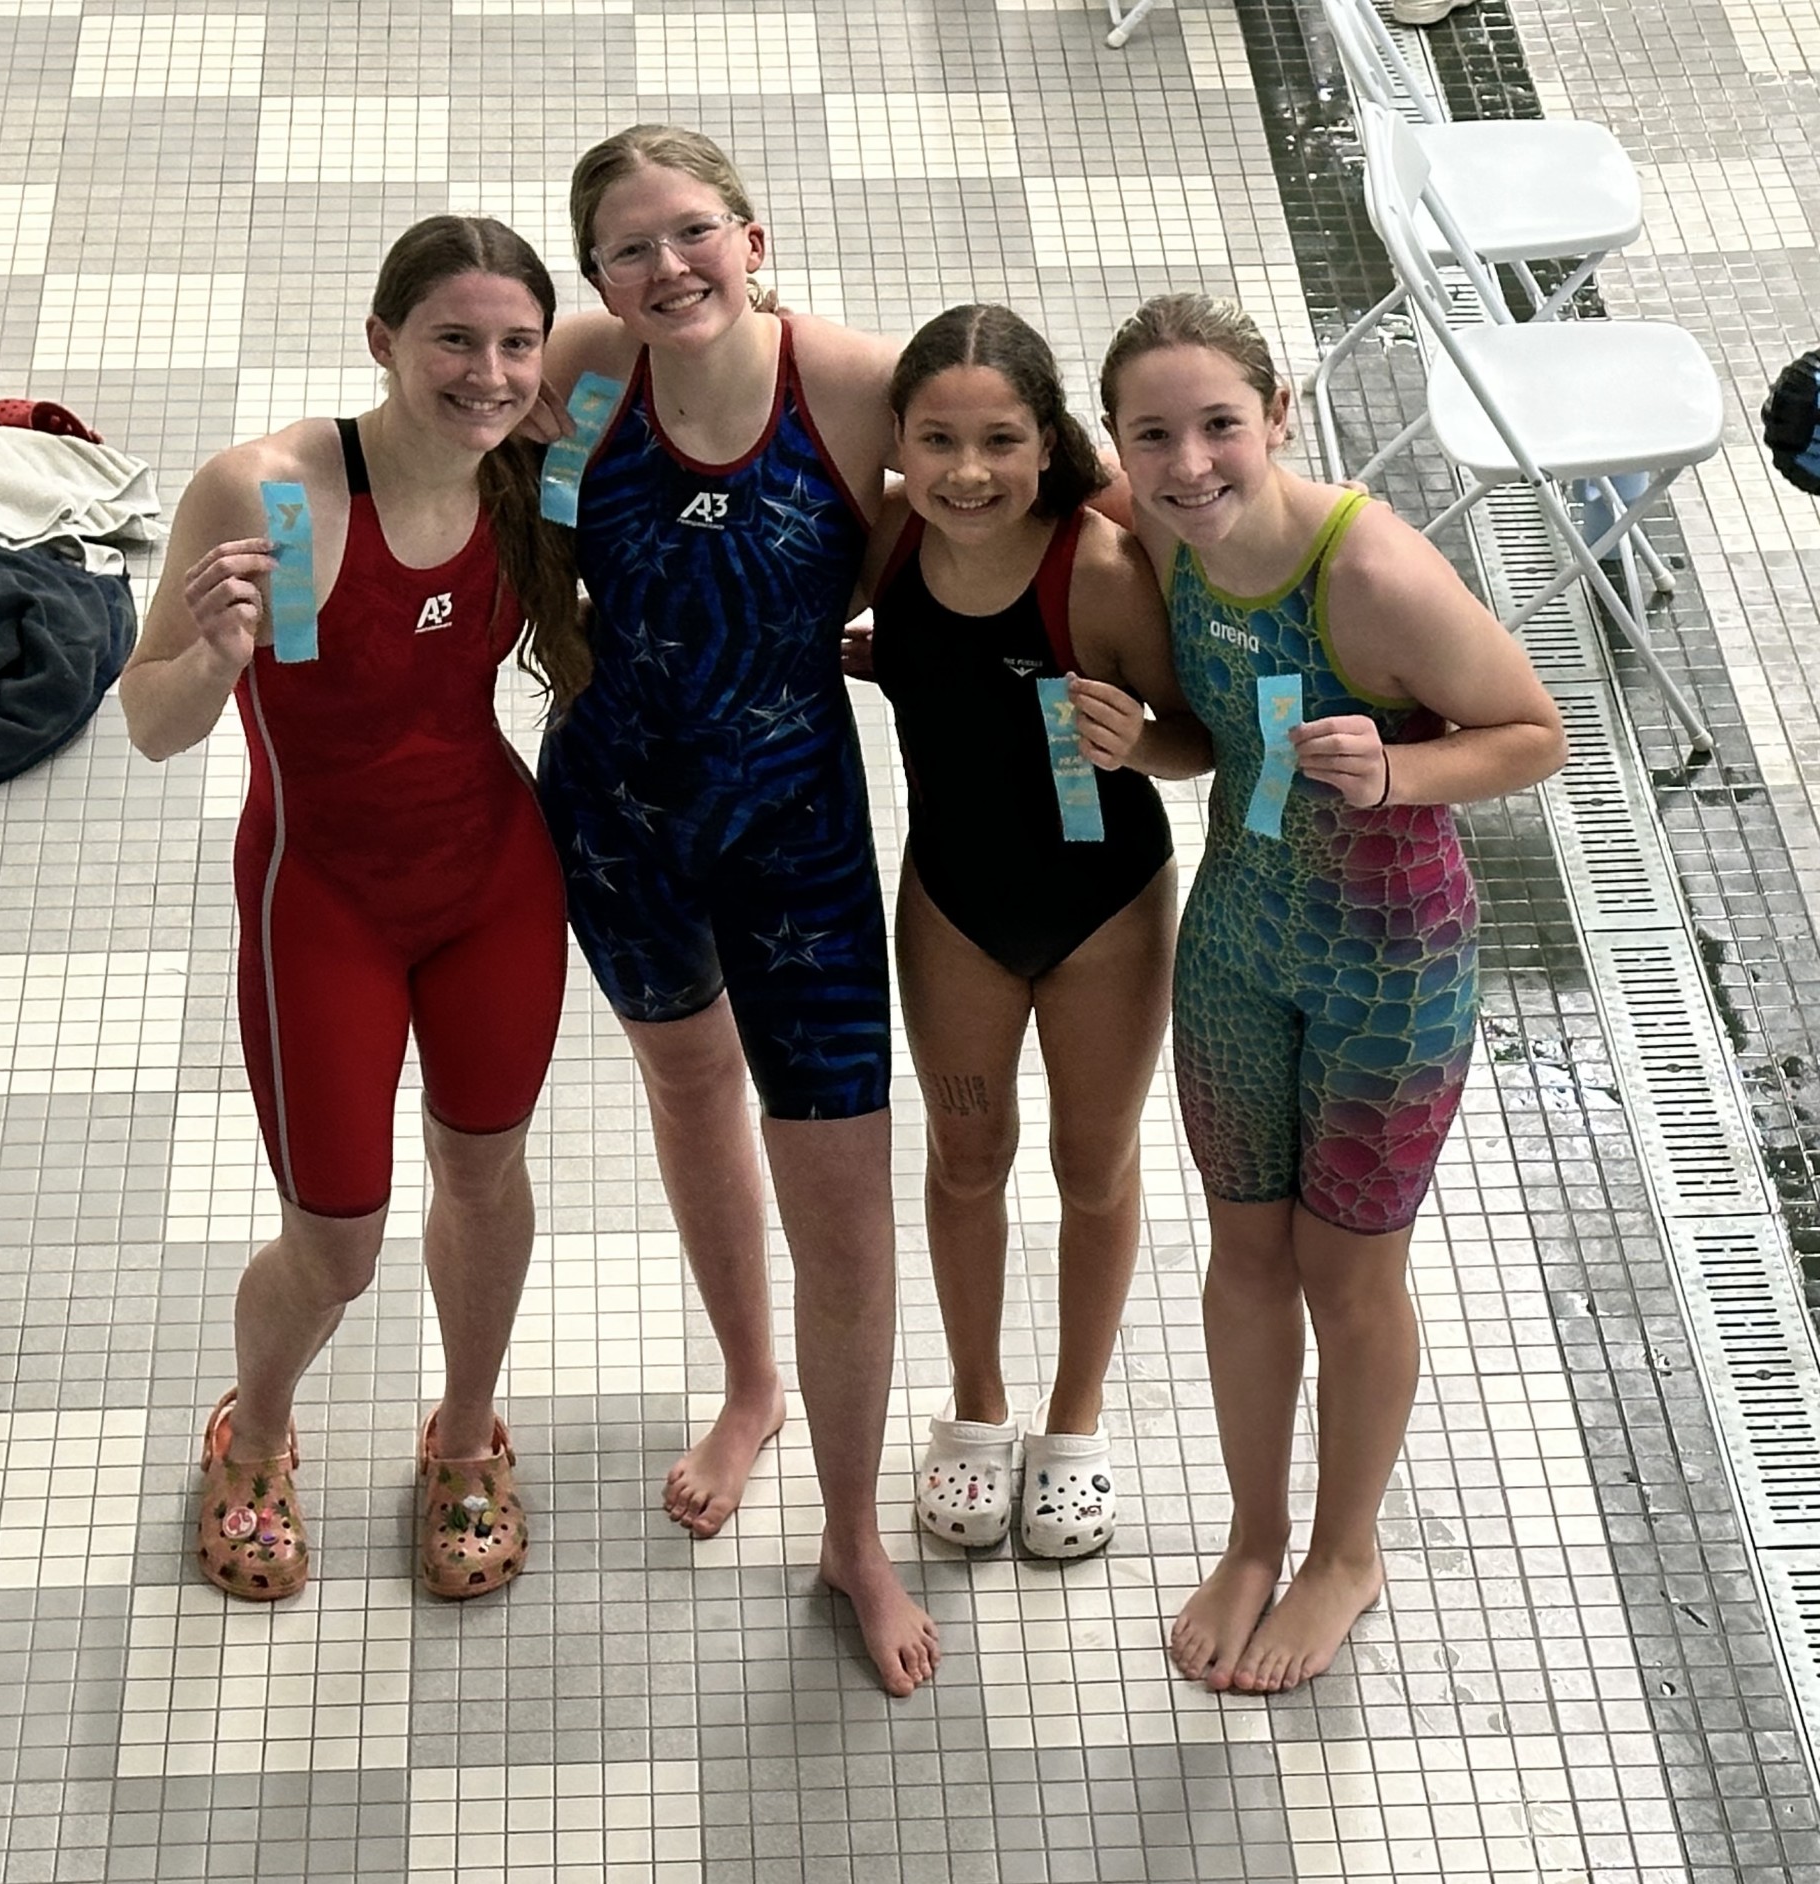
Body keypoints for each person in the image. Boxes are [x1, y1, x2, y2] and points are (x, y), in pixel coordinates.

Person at [1099, 293, 1565, 1690]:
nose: (1190, 465)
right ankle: (1255, 1537)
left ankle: (1344, 1555)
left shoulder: (1372, 574)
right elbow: (1216, 741)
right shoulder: (1155, 541)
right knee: (1245, 1258)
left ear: (1280, 414)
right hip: (1237, 946)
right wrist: (1141, 743)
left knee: (1345, 1273)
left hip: (1391, 968)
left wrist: (1402, 772)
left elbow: (1535, 732)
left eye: (1221, 426)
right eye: (1154, 436)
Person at [119, 216, 583, 1602]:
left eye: (516, 343)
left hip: (493, 878)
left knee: (488, 1171)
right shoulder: (267, 490)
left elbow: (662, 362)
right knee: (338, 1240)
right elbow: (151, 723)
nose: (488, 373)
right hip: (320, 896)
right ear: (381, 341)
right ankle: (252, 1433)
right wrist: (212, 655)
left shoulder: (533, 478)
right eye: (452, 338)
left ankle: (467, 1434)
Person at [534, 124, 937, 1695]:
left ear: (756, 238)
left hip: (797, 842)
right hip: (617, 818)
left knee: (844, 1193)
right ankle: (752, 1381)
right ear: (594, 276)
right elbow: (454, 461)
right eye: (628, 249)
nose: (666, 268)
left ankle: (852, 1531)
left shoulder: (853, 383)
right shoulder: (580, 370)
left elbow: (1046, 461)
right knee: (687, 1086)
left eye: (693, 232)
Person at [847, 305, 1209, 1557]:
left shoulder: (1093, 569)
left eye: (1000, 439)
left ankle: (1075, 1419)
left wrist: (1142, 742)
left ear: (1047, 445)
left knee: (1092, 1167)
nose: (967, 472)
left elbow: (1198, 734)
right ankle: (979, 1407)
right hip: (954, 901)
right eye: (936, 439)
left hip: (1104, 906)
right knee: (964, 1159)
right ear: (895, 441)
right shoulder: (891, 542)